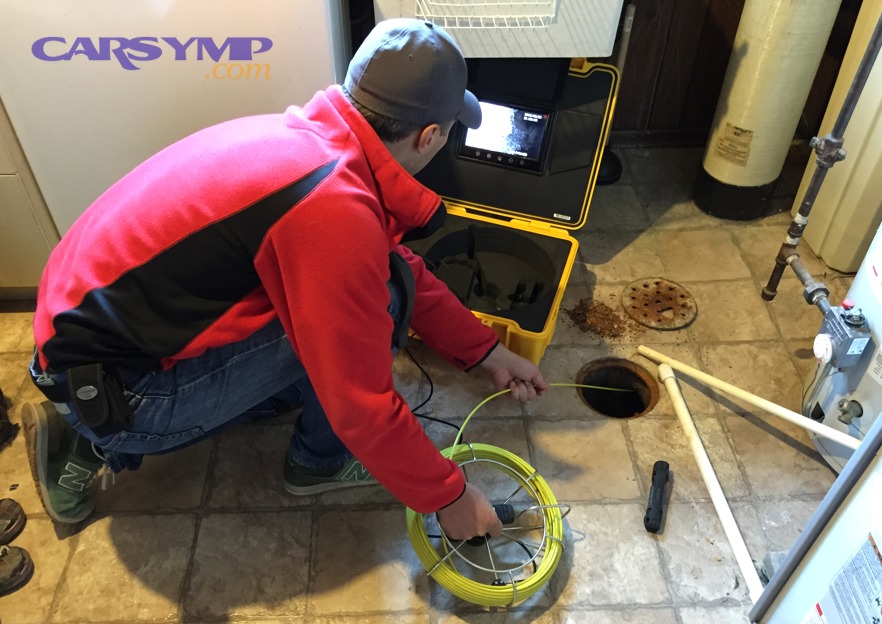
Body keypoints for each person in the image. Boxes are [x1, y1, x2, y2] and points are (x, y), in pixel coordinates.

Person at [22, 19, 548, 541]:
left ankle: (130, 419)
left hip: (75, 333)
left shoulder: (306, 143)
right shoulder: (332, 211)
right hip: (114, 393)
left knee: (365, 292)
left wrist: (487, 353)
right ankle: (302, 462)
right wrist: (449, 497)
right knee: (375, 310)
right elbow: (360, 404)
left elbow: (389, 260)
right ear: (428, 135)